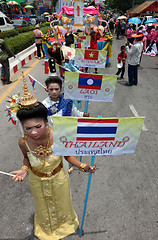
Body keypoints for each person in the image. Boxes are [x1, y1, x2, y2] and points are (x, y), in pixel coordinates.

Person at [9, 79, 96, 240]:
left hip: (59, 179)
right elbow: (26, 159)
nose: (33, 132)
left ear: (46, 121)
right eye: (28, 128)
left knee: (62, 204)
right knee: (43, 207)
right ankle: (47, 229)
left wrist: (83, 165)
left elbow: (67, 155)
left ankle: (64, 226)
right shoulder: (23, 142)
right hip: (37, 182)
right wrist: (24, 170)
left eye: (38, 126)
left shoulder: (58, 136)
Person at [42, 76, 89, 174]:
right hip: (52, 133)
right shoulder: (44, 105)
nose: (54, 92)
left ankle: (70, 164)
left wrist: (83, 115)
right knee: (57, 153)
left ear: (61, 89)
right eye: (51, 89)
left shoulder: (67, 101)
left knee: (68, 149)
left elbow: (74, 112)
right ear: (47, 89)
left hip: (67, 131)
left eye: (56, 89)